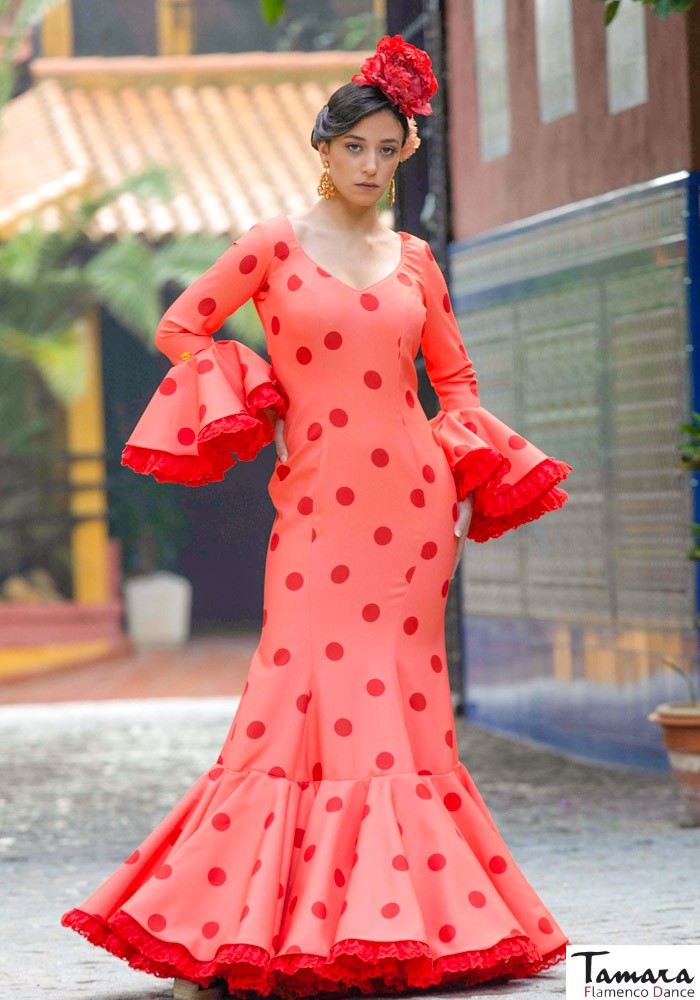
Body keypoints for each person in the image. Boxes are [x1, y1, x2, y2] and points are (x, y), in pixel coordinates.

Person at [61, 34, 573, 1000]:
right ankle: (233, 928)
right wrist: (252, 390)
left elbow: (455, 383)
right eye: (356, 149)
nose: (372, 168)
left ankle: (403, 929)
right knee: (286, 699)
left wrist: (464, 488)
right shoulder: (272, 243)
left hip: (414, 512)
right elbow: (182, 324)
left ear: (403, 154)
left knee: (400, 712)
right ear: (324, 150)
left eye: (390, 150)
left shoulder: (418, 259)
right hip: (316, 509)